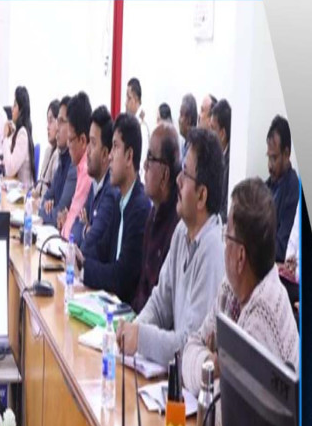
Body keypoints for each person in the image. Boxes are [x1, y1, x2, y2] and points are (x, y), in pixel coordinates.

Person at [183, 178, 299, 426]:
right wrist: (213, 365)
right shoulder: (230, 289)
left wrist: (206, 370)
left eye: (227, 236)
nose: (223, 244)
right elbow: (189, 348)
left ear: (240, 256)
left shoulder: (264, 311)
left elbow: (228, 416)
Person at [117, 127, 224, 366]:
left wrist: (141, 338)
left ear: (202, 196)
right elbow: (160, 302)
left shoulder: (212, 251)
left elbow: (189, 345)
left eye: (185, 173)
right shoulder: (182, 231)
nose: (178, 179)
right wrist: (134, 328)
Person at [80, 113, 151, 304]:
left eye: (115, 147)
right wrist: (79, 258)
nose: (110, 156)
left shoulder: (140, 208)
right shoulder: (120, 200)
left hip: (125, 311)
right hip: (109, 303)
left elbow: (121, 277)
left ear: (129, 156)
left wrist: (84, 269)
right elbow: (102, 250)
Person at [130, 123, 182, 314]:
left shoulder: (177, 226)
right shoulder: (153, 214)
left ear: (165, 175)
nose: (144, 165)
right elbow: (142, 286)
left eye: (150, 158)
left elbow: (161, 307)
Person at [72, 105, 117, 260]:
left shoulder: (111, 192)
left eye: (92, 143)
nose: (88, 150)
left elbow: (88, 248)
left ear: (105, 154)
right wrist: (86, 229)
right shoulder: (95, 184)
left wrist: (85, 230)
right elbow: (74, 231)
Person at [55, 92, 93, 237]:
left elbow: (69, 234)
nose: (68, 145)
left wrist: (66, 226)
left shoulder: (87, 171)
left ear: (83, 141)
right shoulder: (79, 167)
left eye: (70, 140)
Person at [265, 115, 300, 263]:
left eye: (274, 158)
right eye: (268, 157)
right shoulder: (268, 185)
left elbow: (281, 248)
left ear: (286, 154)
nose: (269, 165)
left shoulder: (293, 189)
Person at [37, 96, 75, 222]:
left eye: (61, 121)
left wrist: (43, 211)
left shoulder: (74, 165)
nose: (57, 127)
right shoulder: (62, 158)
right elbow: (46, 197)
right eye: (57, 121)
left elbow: (59, 213)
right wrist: (45, 207)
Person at [1, 86, 35, 187]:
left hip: (22, 193)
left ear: (21, 110)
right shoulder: (18, 131)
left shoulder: (23, 134)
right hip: (15, 189)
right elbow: (7, 160)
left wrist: (5, 137)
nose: (12, 108)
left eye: (15, 105)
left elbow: (9, 170)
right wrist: (10, 136)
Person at [210, 98, 231, 221]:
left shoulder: (231, 165)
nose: (209, 133)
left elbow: (225, 210)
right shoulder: (213, 156)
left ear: (222, 134)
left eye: (212, 129)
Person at [35, 99, 61, 197]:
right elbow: (40, 187)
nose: (47, 127)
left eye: (51, 121)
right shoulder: (48, 150)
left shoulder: (59, 155)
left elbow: (51, 196)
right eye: (47, 121)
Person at [125, 77, 151, 165]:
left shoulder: (141, 127)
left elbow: (142, 161)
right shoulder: (133, 122)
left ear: (136, 100)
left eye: (129, 98)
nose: (125, 103)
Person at [178, 93, 197, 162]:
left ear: (189, 120)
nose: (178, 120)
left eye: (181, 115)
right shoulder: (183, 144)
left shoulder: (195, 148)